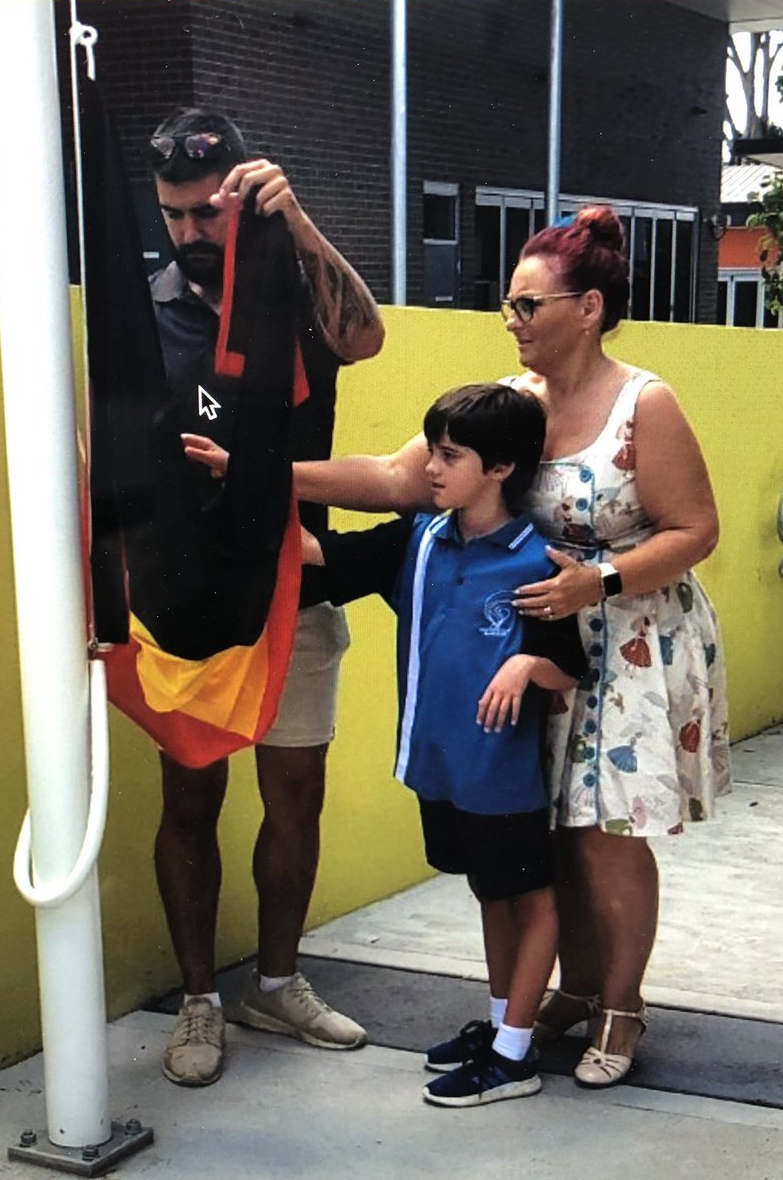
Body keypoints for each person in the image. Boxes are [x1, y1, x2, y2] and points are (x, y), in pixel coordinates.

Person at [293, 205, 730, 1089]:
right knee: (547, 835)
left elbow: (695, 529)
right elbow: (394, 478)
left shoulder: (645, 403)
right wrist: (262, 469)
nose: (513, 322)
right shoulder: (512, 404)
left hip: (626, 639)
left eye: (529, 305)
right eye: (510, 307)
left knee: (606, 835)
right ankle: (562, 992)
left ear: (590, 307)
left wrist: (597, 582)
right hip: (525, 635)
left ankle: (621, 1005)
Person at [146, 106, 385, 1087]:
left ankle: (276, 982)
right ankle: (201, 1002)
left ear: (245, 192)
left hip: (298, 579)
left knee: (295, 797)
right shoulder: (143, 303)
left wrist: (302, 225)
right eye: (177, 214)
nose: (194, 230)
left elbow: (365, 336)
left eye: (211, 210)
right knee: (191, 793)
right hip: (188, 600)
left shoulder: (293, 284)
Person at [303, 384, 586, 1107]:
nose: (430, 467)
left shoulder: (536, 562)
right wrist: (236, 483)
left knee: (533, 900)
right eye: (433, 449)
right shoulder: (421, 540)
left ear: (500, 468)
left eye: (450, 455)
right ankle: (500, 1031)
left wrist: (525, 664)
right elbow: (320, 555)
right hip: (439, 768)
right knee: (489, 892)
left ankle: (515, 1057)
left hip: (502, 776)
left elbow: (569, 668)